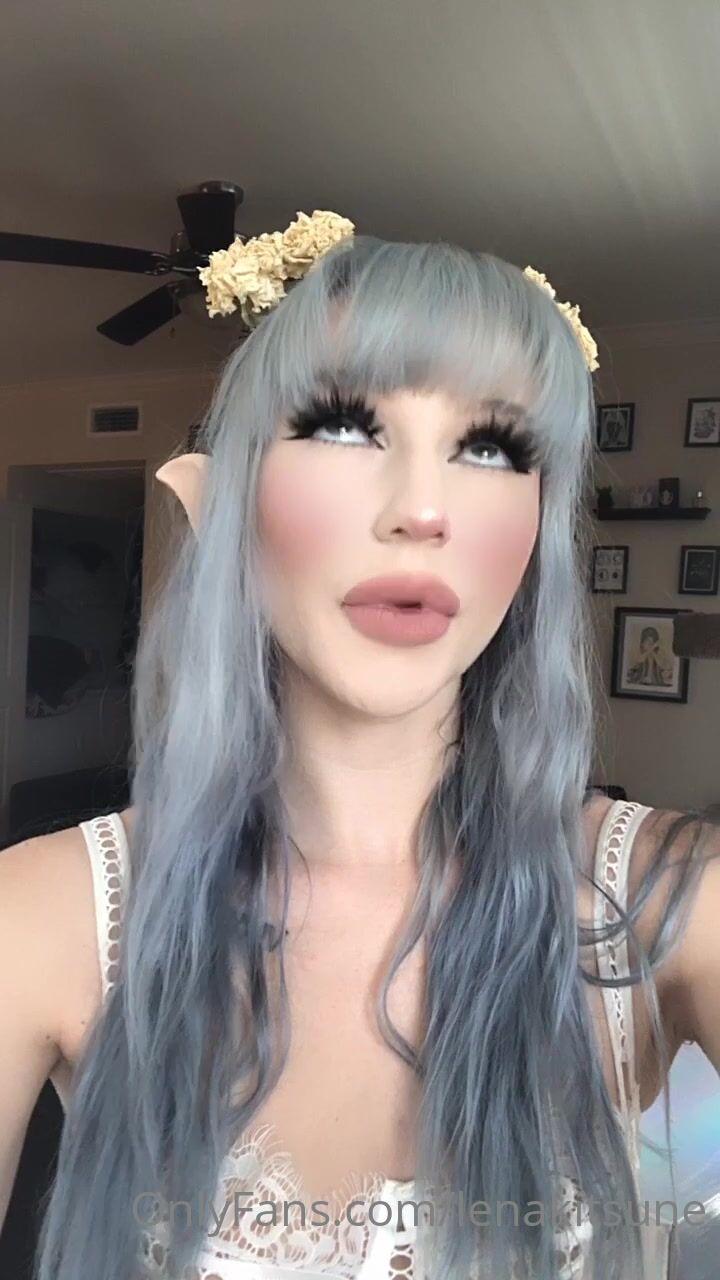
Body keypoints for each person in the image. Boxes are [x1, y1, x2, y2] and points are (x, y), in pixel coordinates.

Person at [1, 234, 718, 1280]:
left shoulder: (670, 901)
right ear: (224, 498)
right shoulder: (39, 917)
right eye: (342, 424)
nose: (422, 511)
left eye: (491, 447)